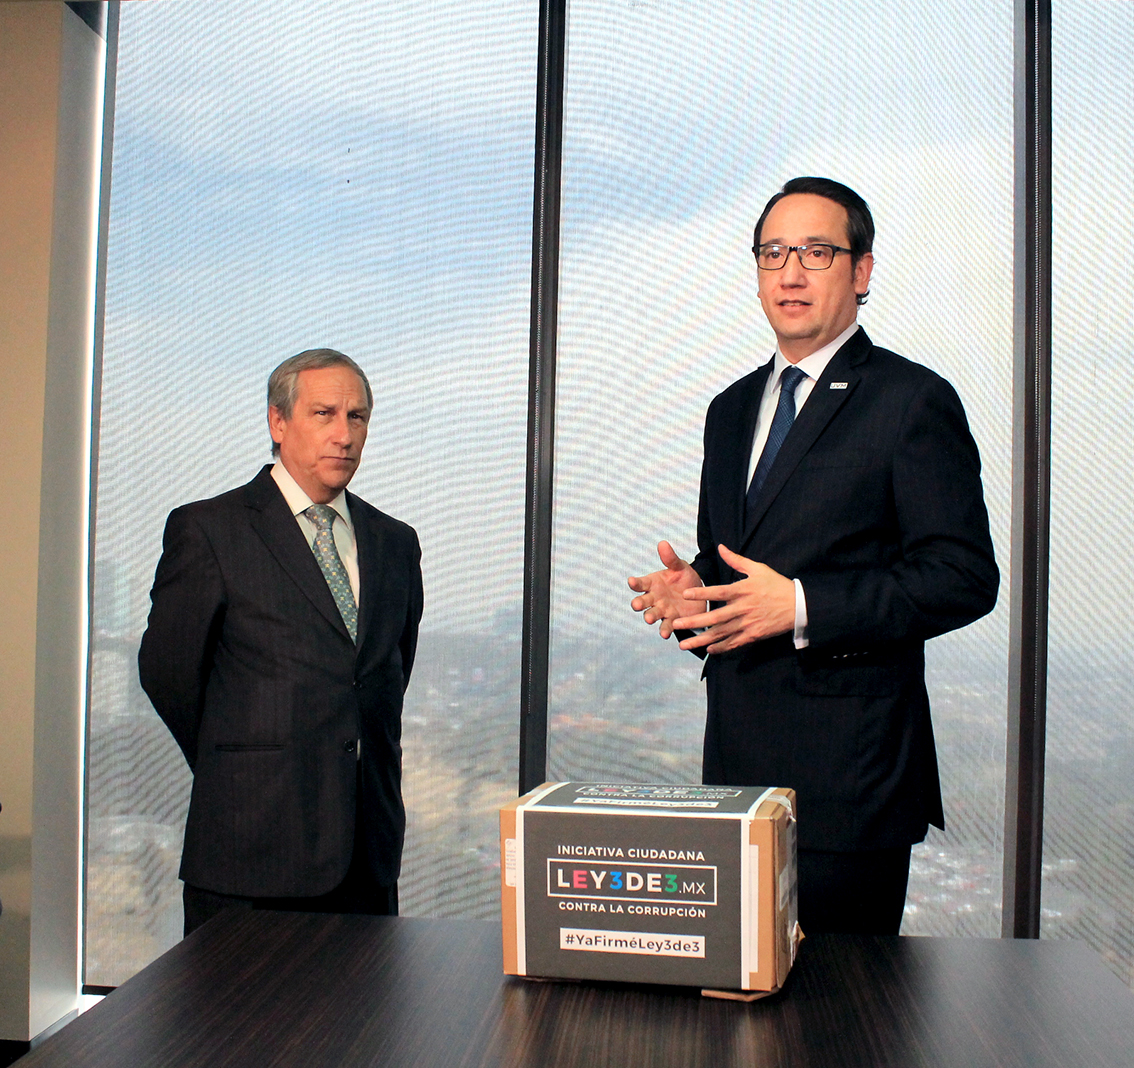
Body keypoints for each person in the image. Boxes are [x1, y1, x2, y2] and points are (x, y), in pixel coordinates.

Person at [628, 178, 998, 935]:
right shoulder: (729, 410)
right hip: (736, 776)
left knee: (843, 1005)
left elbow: (963, 577)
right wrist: (694, 587)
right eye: (773, 253)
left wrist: (801, 605)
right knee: (737, 998)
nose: (790, 273)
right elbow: (740, 558)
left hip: (850, 784)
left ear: (862, 271)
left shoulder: (910, 400)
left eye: (816, 252)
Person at [139, 348, 423, 935]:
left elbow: (381, 677)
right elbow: (167, 674)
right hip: (250, 852)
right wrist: (240, 760)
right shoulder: (210, 530)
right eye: (324, 414)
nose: (344, 434)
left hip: (367, 858)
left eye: (357, 417)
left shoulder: (395, 542)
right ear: (277, 421)